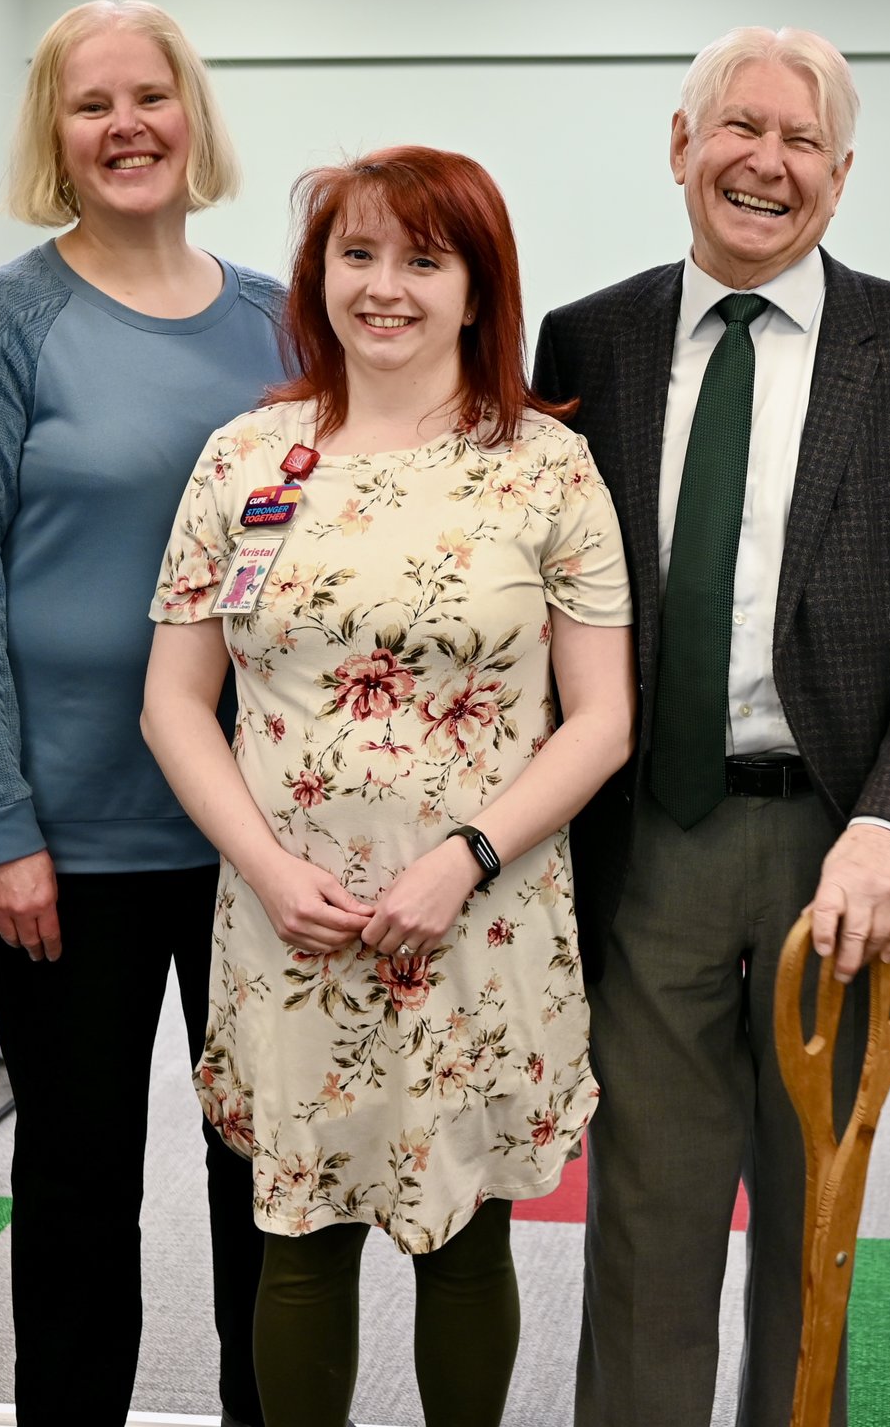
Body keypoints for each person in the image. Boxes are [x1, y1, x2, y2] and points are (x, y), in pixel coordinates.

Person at [534, 26, 890, 1427]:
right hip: (650, 841)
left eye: (804, 141)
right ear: (680, 147)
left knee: (818, 1223)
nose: (768, 161)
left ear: (842, 176)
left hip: (842, 843)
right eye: (739, 127)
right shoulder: (588, 340)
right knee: (645, 1216)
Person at [141, 145, 635, 1427]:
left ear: (480, 288)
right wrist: (263, 866)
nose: (386, 288)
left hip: (481, 910)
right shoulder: (246, 457)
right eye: (357, 254)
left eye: (425, 259)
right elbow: (173, 702)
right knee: (297, 1228)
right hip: (288, 915)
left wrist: (461, 857)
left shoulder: (546, 464)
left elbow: (601, 722)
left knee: (462, 1227)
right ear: (317, 277)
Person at [0, 0, 282, 1427]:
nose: (126, 126)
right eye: (89, 103)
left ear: (194, 116)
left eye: (151, 95)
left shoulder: (281, 317)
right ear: (52, 139)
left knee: (269, 1187)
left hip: (259, 841)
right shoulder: (3, 324)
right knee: (76, 1189)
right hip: (65, 851)